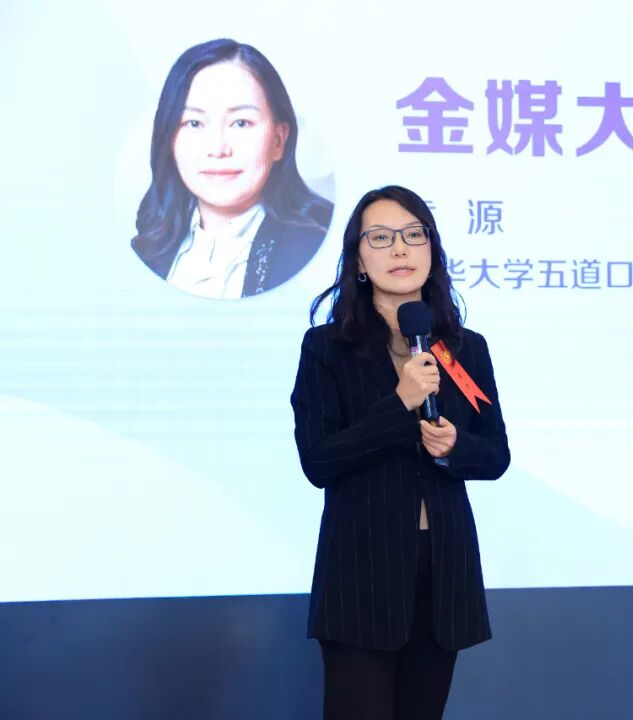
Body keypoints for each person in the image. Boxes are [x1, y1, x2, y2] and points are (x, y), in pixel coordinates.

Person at [291, 185, 510, 719]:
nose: (400, 249)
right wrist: (399, 404)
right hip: (362, 571)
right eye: (381, 238)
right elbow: (319, 461)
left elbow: (495, 455)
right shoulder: (326, 348)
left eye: (414, 235)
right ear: (358, 260)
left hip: (443, 572)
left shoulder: (464, 348)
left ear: (432, 250)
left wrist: (455, 446)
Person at [131, 38, 332, 299]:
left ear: (279, 140)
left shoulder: (316, 249)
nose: (218, 148)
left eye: (241, 123)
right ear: (170, 139)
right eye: (194, 123)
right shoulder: (146, 251)